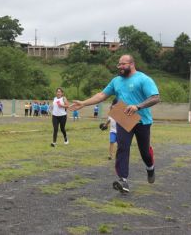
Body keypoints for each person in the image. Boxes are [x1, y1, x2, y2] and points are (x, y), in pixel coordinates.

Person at [69, 54, 160, 193]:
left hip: (142, 120)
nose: (120, 67)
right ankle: (123, 180)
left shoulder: (143, 79)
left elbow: (155, 97)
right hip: (123, 116)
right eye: (119, 64)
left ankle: (150, 167)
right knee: (122, 147)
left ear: (132, 64)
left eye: (123, 64)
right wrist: (83, 103)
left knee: (145, 153)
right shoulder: (116, 81)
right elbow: (101, 95)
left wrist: (138, 106)